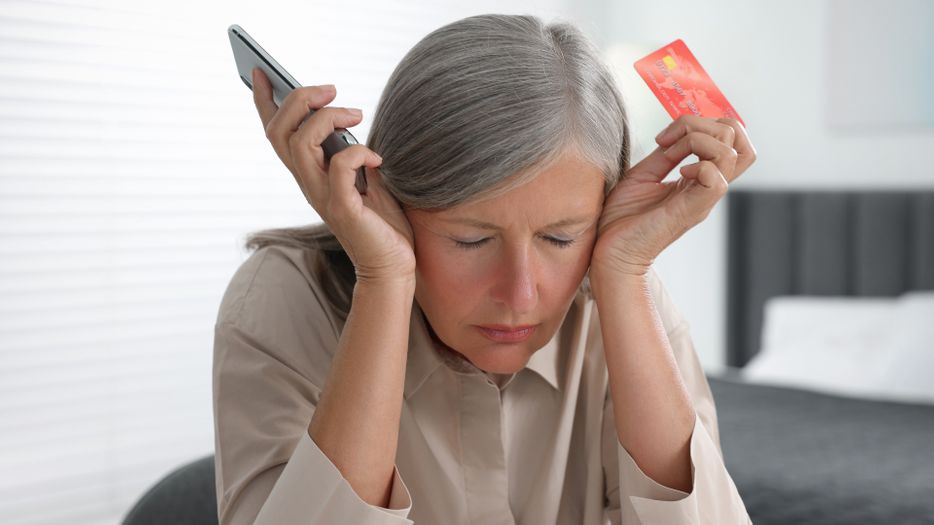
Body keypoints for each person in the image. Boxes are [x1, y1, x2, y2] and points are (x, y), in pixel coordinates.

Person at [212, 13, 756, 525]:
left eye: (560, 237)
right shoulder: (284, 297)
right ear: (387, 202)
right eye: (471, 240)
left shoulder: (622, 291)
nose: (520, 295)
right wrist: (384, 278)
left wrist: (625, 273)